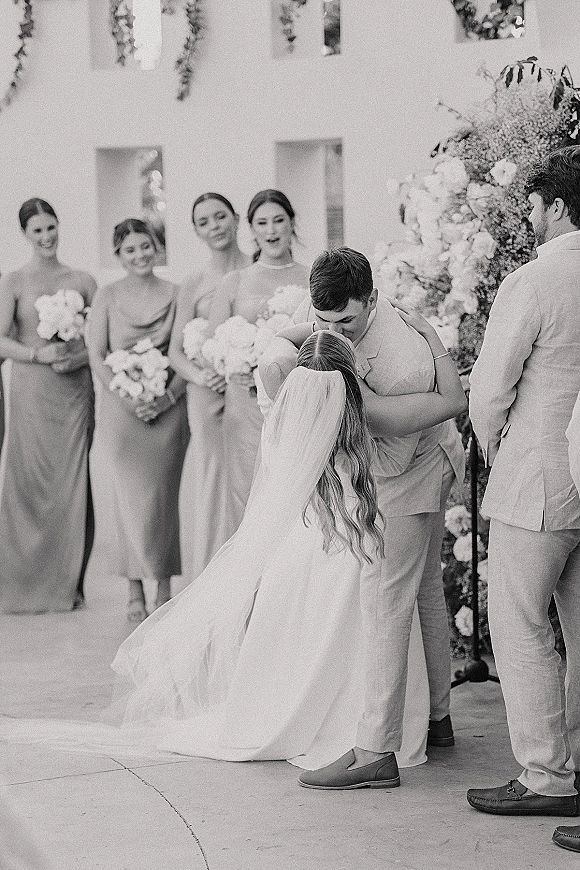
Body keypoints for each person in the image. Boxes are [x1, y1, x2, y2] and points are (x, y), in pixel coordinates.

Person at [261, 247, 466, 790]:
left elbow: (393, 459)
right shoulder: (333, 322)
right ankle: (437, 717)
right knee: (423, 590)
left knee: (384, 600)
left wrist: (341, 414)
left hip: (413, 468)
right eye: (324, 321)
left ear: (371, 300)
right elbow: (290, 337)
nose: (335, 334)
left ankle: (376, 750)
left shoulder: (399, 366)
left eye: (346, 321)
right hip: (416, 456)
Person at [467, 147, 580, 828]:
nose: (529, 217)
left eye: (533, 205)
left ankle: (546, 774)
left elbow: (491, 387)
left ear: (557, 206)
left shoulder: (535, 280)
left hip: (540, 474)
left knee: (520, 624)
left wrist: (488, 442)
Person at [89, 218, 188, 623]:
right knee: (126, 501)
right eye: (130, 250)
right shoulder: (106, 295)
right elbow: (96, 353)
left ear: (158, 248)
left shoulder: (177, 293)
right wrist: (127, 397)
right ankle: (133, 587)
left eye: (146, 246)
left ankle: (163, 584)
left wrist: (165, 398)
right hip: (121, 412)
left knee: (162, 499)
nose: (140, 255)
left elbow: (184, 352)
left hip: (167, 410)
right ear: (118, 256)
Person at [0, 199, 95, 613]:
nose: (46, 237)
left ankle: (67, 583)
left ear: (60, 226)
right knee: (29, 482)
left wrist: (82, 355)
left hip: (74, 390)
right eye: (37, 230)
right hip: (32, 389)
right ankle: (23, 582)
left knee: (71, 483)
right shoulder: (14, 281)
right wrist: (37, 356)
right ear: (25, 234)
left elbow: (102, 337)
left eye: (51, 227)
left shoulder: (83, 279)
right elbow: (1, 339)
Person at [208, 189, 309, 535]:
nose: (271, 230)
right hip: (246, 404)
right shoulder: (235, 281)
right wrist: (240, 365)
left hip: (297, 400)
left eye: (279, 220)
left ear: (291, 223)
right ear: (251, 229)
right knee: (248, 495)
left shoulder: (312, 276)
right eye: (262, 223)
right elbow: (215, 344)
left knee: (295, 497)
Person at [168, 193, 251, 579]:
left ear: (235, 219)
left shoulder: (256, 268)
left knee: (253, 475)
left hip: (247, 389)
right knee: (213, 480)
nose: (215, 226)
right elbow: (174, 353)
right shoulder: (194, 283)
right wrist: (202, 375)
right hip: (205, 395)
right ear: (197, 231)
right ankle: (212, 576)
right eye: (204, 221)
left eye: (220, 217)